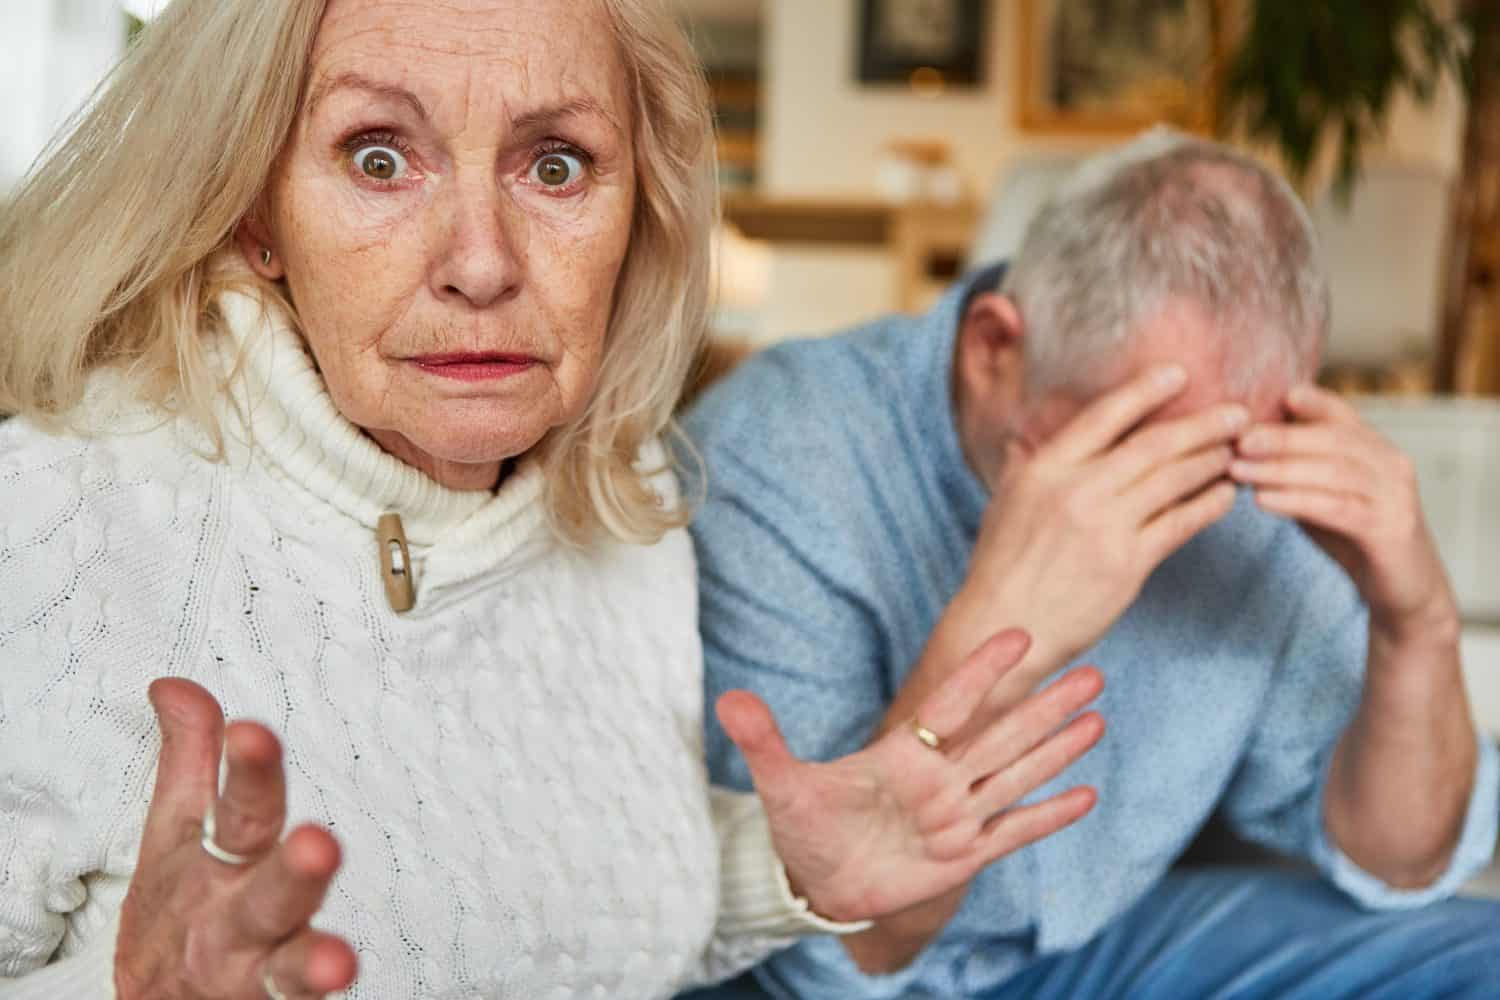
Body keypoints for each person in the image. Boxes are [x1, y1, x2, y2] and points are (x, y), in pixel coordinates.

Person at [0, 2, 1111, 997]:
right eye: (379, 158)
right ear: (258, 215)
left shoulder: (624, 503)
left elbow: (550, 916)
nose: (480, 263)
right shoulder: (55, 525)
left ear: (641, 217)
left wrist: (781, 873)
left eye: (558, 166)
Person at [682, 131, 1500, 999]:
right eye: (1138, 450)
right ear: (996, 349)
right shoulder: (777, 457)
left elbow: (1399, 862)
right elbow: (827, 965)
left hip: (1107, 948)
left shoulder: (1249, 479)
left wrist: (1415, 621)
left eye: (1230, 454)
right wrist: (1005, 630)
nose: (1195, 505)